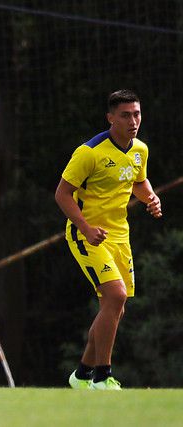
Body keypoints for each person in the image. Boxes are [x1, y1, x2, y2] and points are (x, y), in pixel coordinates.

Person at [55, 90, 162, 391]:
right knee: (115, 297)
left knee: (115, 307)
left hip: (119, 234)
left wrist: (150, 198)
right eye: (126, 115)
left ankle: (81, 374)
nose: (133, 121)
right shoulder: (89, 152)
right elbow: (62, 194)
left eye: (137, 114)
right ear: (110, 118)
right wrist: (86, 228)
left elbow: (138, 181)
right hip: (86, 234)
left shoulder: (140, 149)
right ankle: (103, 376)